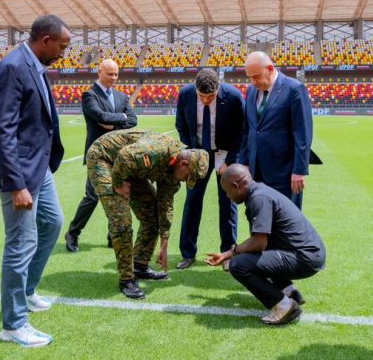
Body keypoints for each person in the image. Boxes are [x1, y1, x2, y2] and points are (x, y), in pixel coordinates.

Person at [0, 15, 70, 348]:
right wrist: (16, 185)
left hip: (39, 166)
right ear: (45, 40)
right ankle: (13, 325)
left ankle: (26, 292)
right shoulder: (13, 67)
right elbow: (2, 130)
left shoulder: (34, 64)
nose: (64, 53)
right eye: (62, 46)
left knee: (53, 223)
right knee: (20, 243)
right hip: (19, 173)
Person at [87, 129, 209, 299]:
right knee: (121, 220)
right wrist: (118, 183)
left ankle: (140, 265)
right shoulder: (157, 150)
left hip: (132, 168)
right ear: (183, 164)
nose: (184, 180)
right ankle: (126, 279)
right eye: (187, 176)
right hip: (105, 159)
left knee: (152, 215)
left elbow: (165, 204)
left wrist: (164, 242)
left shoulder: (174, 170)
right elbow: (125, 155)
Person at [205, 164, 325, 325]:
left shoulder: (258, 198)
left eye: (227, 192)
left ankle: (284, 306)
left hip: (304, 257)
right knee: (254, 257)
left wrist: (233, 253)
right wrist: (228, 253)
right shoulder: (260, 192)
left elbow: (258, 243)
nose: (228, 196)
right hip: (308, 253)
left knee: (239, 265)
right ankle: (289, 292)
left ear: (236, 186)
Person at [64, 58, 137, 253]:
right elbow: (99, 116)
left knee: (119, 195)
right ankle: (73, 233)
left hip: (118, 155)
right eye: (109, 74)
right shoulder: (90, 95)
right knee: (92, 196)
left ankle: (112, 236)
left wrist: (116, 121)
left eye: (116, 74)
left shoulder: (122, 96)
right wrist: (121, 118)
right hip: (97, 154)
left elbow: (133, 120)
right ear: (100, 72)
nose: (113, 77)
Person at [174, 69, 245, 270]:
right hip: (198, 152)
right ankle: (187, 253)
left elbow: (241, 131)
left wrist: (230, 161)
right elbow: (180, 124)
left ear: (218, 89)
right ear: (195, 89)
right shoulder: (185, 94)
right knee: (192, 201)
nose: (205, 100)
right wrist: (190, 152)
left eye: (211, 97)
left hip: (224, 154)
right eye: (201, 96)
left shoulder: (233, 97)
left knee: (228, 203)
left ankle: (227, 253)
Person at [238, 51, 313, 209]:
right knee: (257, 220)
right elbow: (248, 131)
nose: (253, 82)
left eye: (257, 76)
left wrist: (299, 170)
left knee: (285, 222)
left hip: (283, 172)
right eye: (249, 77)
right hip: (254, 172)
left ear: (270, 69)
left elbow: (303, 134)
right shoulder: (251, 91)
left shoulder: (294, 89)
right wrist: (243, 162)